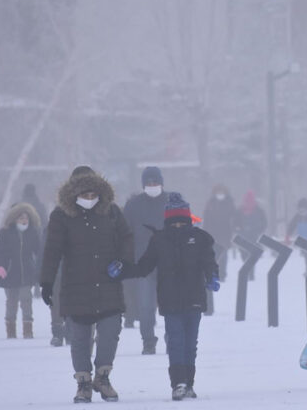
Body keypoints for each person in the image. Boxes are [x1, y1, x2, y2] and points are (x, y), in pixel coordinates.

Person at [40, 166, 134, 403]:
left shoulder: (111, 212)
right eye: (84, 195)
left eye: (93, 195)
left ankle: (103, 376)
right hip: (75, 286)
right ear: (73, 194)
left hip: (108, 284)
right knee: (79, 337)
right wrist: (46, 281)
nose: (89, 200)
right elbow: (52, 250)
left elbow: (126, 237)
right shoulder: (61, 216)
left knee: (110, 333)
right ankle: (83, 383)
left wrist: (123, 261)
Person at [131, 193, 219, 401]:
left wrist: (212, 276)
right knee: (176, 341)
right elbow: (145, 265)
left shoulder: (199, 238)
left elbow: (208, 260)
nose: (178, 226)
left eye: (182, 222)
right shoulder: (160, 240)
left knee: (190, 342)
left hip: (194, 298)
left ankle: (189, 382)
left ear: (188, 220)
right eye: (174, 222)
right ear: (167, 221)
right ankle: (178, 383)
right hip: (170, 300)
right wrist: (125, 270)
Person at [122, 166, 167, 353]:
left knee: (171, 305)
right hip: (143, 263)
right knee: (145, 305)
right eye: (148, 182)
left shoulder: (172, 202)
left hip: (169, 262)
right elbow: (125, 233)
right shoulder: (133, 205)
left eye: (155, 182)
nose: (152, 185)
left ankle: (173, 339)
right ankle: (148, 341)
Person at [0, 203, 42, 339]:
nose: (24, 220)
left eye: (26, 217)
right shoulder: (5, 233)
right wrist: (0, 266)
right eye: (20, 217)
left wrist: (40, 265)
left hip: (27, 272)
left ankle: (28, 330)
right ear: (14, 218)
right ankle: (11, 330)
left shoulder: (33, 232)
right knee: (11, 300)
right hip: (9, 272)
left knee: (26, 299)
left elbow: (38, 251)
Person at [202, 184, 237, 282]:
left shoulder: (229, 203)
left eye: (222, 192)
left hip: (225, 232)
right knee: (213, 254)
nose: (220, 194)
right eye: (218, 192)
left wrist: (233, 228)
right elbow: (207, 218)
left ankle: (222, 274)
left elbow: (234, 218)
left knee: (223, 254)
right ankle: (213, 273)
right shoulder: (211, 203)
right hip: (212, 232)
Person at [21, 183, 48, 298]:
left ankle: (25, 286)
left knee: (24, 261)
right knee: (37, 261)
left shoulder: (21, 206)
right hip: (38, 236)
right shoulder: (39, 205)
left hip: (23, 237)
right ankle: (37, 286)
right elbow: (45, 221)